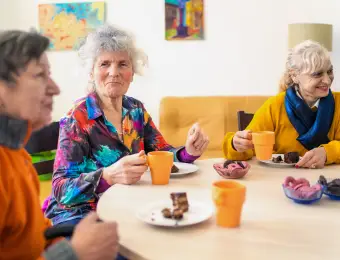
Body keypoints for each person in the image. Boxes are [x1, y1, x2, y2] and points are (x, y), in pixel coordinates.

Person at [44, 24, 210, 226]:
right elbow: (61, 189)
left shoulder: (136, 110)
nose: (114, 72)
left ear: (133, 72)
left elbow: (163, 156)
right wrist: (108, 175)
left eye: (123, 64)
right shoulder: (77, 118)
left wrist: (188, 152)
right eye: (104, 64)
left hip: (128, 205)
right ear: (91, 72)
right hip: (81, 215)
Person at [0, 30, 119, 260]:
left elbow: (33, 236)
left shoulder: (16, 154)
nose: (55, 88)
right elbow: (62, 189)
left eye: (123, 64)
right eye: (39, 75)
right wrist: (73, 252)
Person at [223, 40, 340, 169]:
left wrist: (328, 152)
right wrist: (236, 144)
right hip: (283, 181)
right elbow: (246, 149)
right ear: (295, 75)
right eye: (317, 74)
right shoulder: (274, 106)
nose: (327, 80)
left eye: (329, 71)